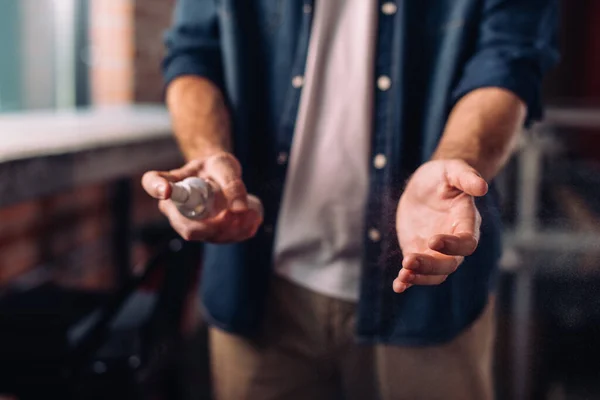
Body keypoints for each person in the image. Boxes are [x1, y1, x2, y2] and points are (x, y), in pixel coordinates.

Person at [142, 1, 558, 399]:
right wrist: (207, 154)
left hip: (428, 293)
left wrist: (456, 161)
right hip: (259, 286)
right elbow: (193, 52)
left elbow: (507, 62)